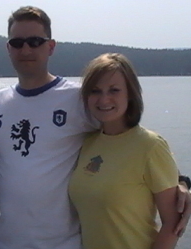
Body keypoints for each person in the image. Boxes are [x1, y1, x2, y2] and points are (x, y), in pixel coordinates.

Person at [0, 6, 191, 249]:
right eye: (17, 42)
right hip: (6, 243)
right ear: (8, 48)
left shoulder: (78, 99)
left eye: (35, 41)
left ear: (51, 46)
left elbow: (130, 140)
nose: (26, 49)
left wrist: (180, 181)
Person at [69, 53, 180, 249]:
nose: (104, 99)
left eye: (114, 90)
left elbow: (172, 223)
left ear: (130, 93)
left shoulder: (150, 146)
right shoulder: (88, 143)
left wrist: (183, 183)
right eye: (95, 91)